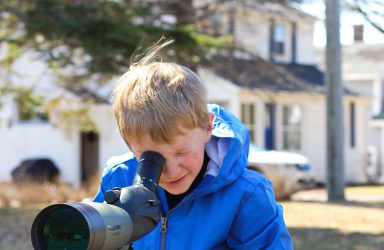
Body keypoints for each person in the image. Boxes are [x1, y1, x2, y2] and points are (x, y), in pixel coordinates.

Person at [93, 41, 293, 249]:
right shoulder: (119, 178)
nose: (171, 171)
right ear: (129, 144)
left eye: (181, 152)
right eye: (153, 159)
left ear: (208, 127)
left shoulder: (247, 195)